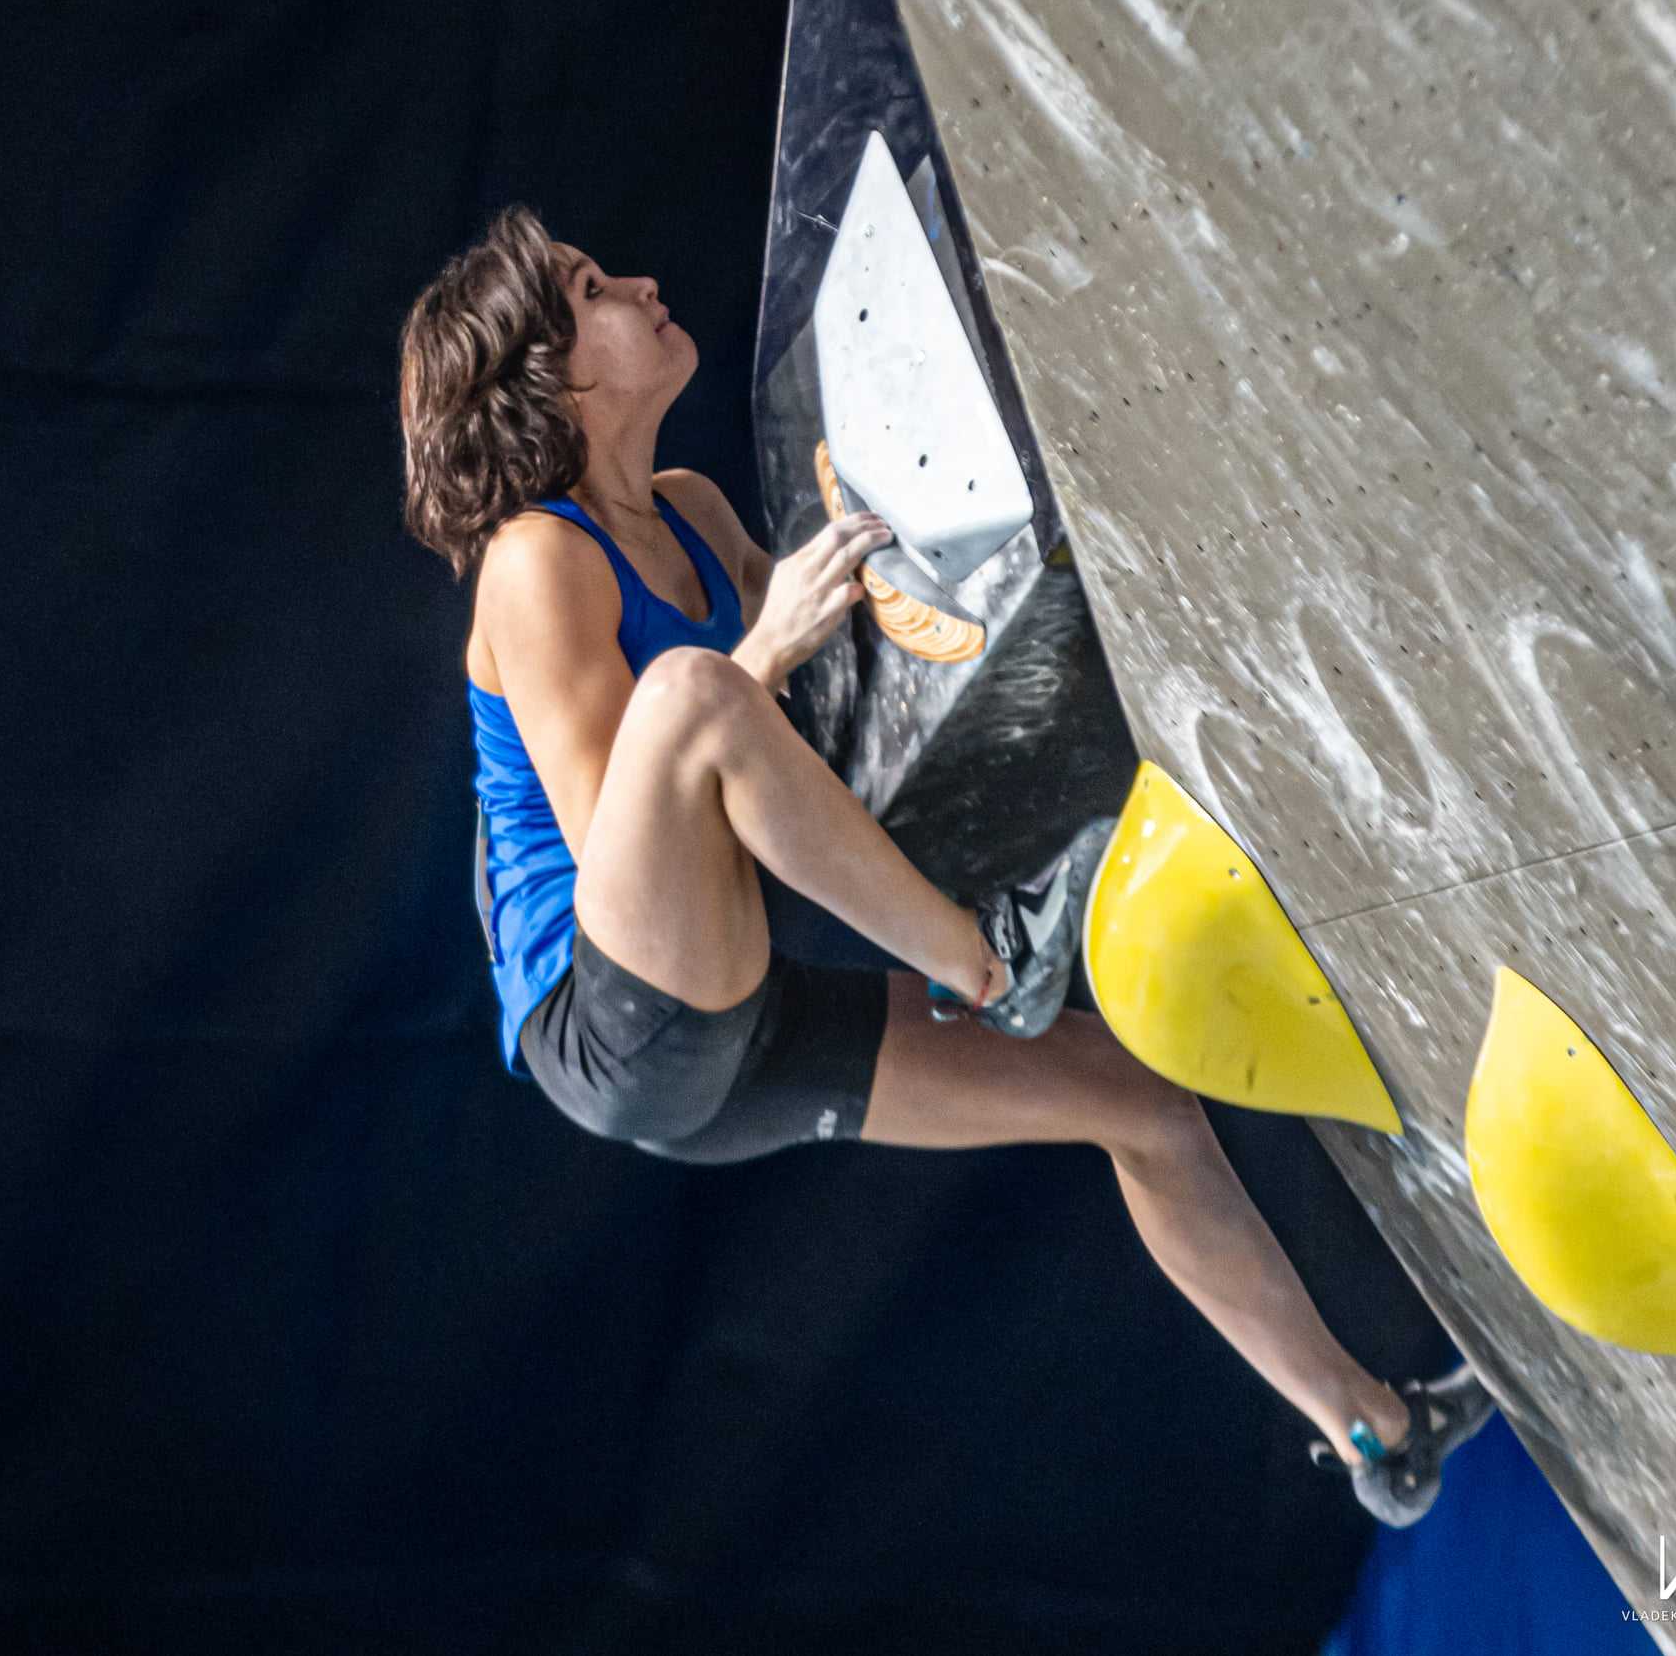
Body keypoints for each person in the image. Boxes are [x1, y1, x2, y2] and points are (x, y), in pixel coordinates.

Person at [398, 205, 1491, 1525]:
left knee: (1138, 1103)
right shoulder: (534, 560)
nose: (637, 277)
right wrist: (770, 647)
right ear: (553, 376)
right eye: (591, 288)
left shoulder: (683, 510)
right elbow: (619, 829)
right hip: (614, 1018)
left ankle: (1376, 1433)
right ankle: (989, 960)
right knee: (696, 694)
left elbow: (835, 678)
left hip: (730, 1032)